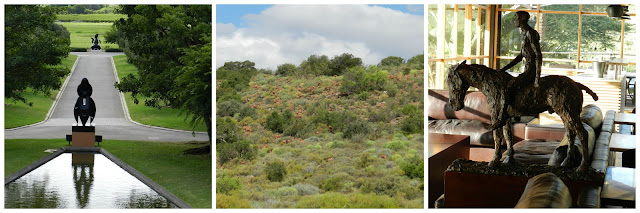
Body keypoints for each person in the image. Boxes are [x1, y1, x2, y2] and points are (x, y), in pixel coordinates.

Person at [500, 11, 542, 89]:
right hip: (527, 69)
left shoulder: (530, 33)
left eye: (516, 18)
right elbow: (520, 56)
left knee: (511, 86)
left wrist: (537, 77)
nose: (514, 20)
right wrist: (503, 69)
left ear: (522, 19)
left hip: (531, 70)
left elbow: (538, 55)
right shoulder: (523, 34)